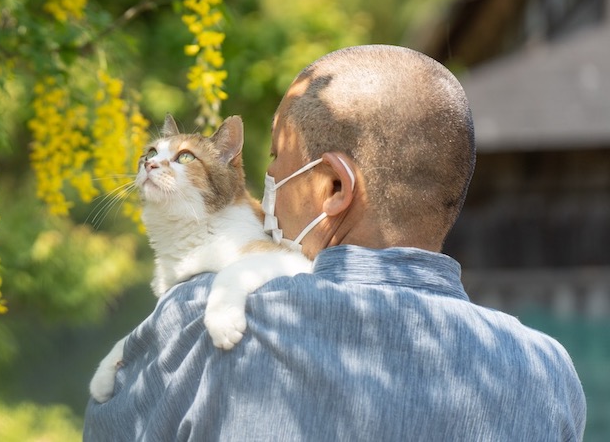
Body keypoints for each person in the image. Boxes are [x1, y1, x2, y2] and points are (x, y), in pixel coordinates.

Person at [83, 45, 586, 441]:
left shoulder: (196, 319)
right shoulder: (549, 373)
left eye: (276, 161)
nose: (265, 189)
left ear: (333, 189)